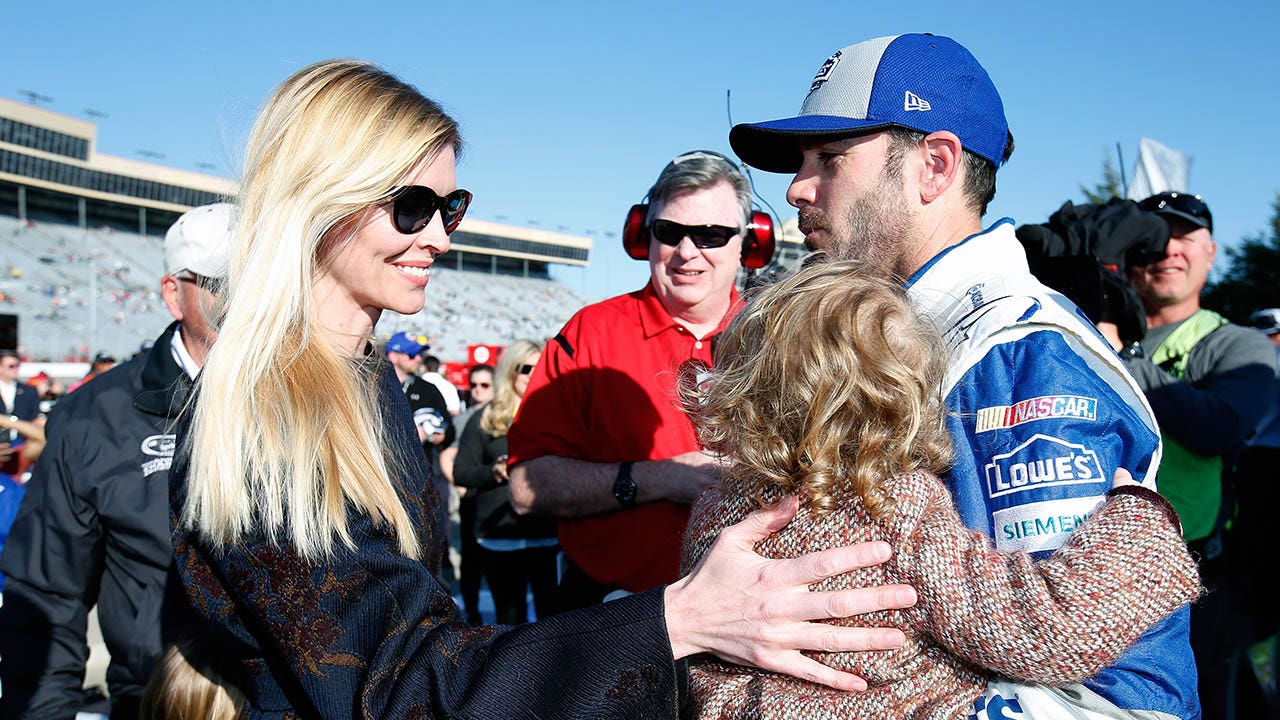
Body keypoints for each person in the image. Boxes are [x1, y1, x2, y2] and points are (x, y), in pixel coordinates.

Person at [158, 58, 916, 719]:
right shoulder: (270, 413)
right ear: (318, 199)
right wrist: (678, 617)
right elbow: (400, 690)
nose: (441, 238)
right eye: (411, 207)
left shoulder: (363, 383)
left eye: (450, 207)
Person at [728, 33, 1199, 718]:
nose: (797, 187)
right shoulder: (876, 340)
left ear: (935, 165)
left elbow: (1110, 696)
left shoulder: (1022, 357)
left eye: (830, 158)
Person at [682, 260, 1202, 719]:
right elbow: (1046, 628)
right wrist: (1138, 523)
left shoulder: (718, 512)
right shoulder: (893, 510)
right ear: (905, 403)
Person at [0, 200, 232, 719]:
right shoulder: (94, 416)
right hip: (157, 701)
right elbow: (46, 594)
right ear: (174, 293)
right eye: (225, 284)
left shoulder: (317, 397)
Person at [507, 149, 754, 609]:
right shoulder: (590, 333)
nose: (687, 252)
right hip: (613, 613)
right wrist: (660, 478)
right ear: (646, 234)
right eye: (670, 232)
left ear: (749, 242)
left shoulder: (783, 337)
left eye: (711, 235)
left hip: (747, 620)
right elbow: (525, 487)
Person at [1104, 191, 1275, 717]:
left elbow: (1220, 428)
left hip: (1196, 577)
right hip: (1091, 566)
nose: (1167, 250)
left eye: (1183, 236)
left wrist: (1119, 354)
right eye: (1151, 238)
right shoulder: (1075, 326)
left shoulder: (1235, 343)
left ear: (1211, 252)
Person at [454, 339, 558, 625]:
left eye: (542, 368)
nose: (534, 375)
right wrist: (495, 471)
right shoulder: (485, 419)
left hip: (548, 534)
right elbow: (462, 472)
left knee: (553, 621)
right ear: (511, 371)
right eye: (527, 368)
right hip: (499, 537)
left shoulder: (559, 415)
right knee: (509, 623)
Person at [439, 361, 495, 625]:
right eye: (473, 385)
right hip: (472, 499)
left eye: (485, 385)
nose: (477, 390)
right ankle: (472, 615)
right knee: (470, 562)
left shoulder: (505, 417)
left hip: (496, 502)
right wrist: (459, 484)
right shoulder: (462, 420)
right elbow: (447, 455)